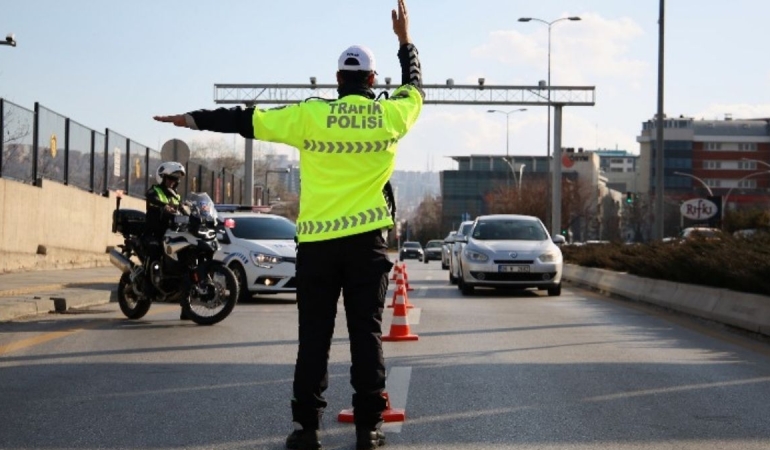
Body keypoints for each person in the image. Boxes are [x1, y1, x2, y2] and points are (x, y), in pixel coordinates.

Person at [154, 1, 422, 447]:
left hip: (318, 247)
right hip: (366, 246)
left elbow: (245, 119)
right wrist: (405, 40)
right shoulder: (391, 115)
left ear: (338, 80)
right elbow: (414, 87)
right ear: (373, 80)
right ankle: (368, 428)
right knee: (367, 335)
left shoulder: (310, 114)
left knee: (313, 339)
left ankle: (306, 430)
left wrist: (191, 120)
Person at [143, 161, 187, 319]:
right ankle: (147, 287)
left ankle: (187, 308)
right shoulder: (155, 190)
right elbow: (151, 197)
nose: (172, 182)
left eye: (175, 180)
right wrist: (164, 205)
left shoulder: (176, 196)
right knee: (154, 252)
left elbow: (183, 209)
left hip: (172, 234)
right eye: (170, 178)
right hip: (155, 233)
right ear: (162, 178)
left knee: (185, 263)